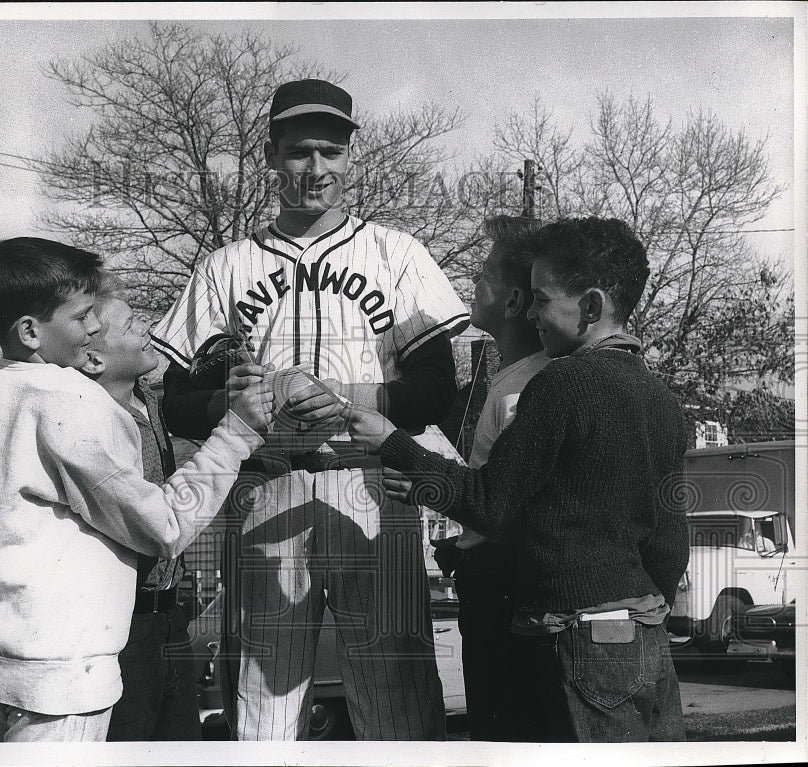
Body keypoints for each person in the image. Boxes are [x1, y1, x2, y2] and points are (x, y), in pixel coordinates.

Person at [151, 79, 469, 740]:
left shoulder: (396, 254)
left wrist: (343, 399)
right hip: (266, 483)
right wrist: (235, 403)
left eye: (330, 149)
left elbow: (437, 387)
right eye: (299, 151)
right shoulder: (226, 268)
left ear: (352, 153)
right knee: (262, 699)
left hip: (372, 485)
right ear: (271, 154)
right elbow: (176, 401)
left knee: (397, 695)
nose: (316, 168)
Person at [348, 217, 690, 742]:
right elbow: (670, 542)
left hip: (575, 635)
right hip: (644, 635)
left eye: (542, 299)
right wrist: (637, 612)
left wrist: (390, 443)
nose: (532, 315)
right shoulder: (661, 398)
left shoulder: (562, 384)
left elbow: (492, 503)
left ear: (593, 307)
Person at [0, 237, 273, 742]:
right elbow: (165, 526)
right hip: (65, 668)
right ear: (30, 331)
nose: (94, 328)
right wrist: (236, 433)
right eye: (84, 315)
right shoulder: (67, 402)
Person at [430, 215, 548, 742]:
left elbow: (509, 502)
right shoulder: (509, 378)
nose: (470, 286)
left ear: (514, 302)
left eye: (482, 274)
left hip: (505, 594)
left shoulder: (524, 389)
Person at [78, 275, 201, 741]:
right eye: (132, 324)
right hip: (121, 629)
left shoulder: (152, 402)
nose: (147, 326)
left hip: (170, 617)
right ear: (93, 358)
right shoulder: (89, 422)